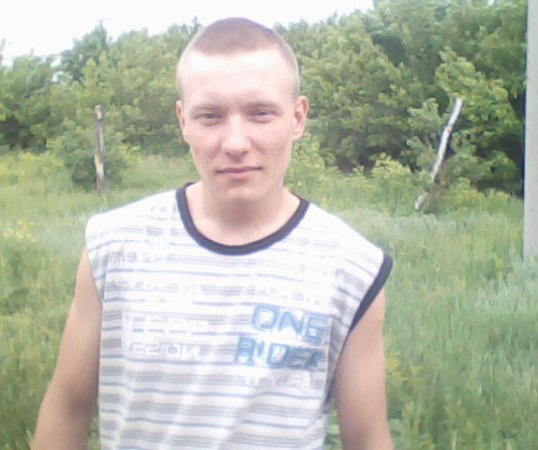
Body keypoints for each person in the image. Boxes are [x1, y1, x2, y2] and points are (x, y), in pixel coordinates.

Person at [32, 17, 394, 450]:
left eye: (261, 113)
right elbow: (68, 407)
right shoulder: (112, 247)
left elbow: (367, 438)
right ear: (183, 121)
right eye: (210, 116)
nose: (235, 142)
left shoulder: (352, 268)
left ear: (298, 118)